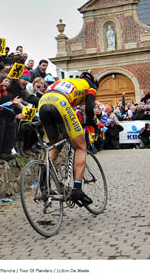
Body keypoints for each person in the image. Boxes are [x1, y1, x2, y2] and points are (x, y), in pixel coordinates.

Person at [37, 70, 99, 206]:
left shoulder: (65, 82)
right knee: (80, 147)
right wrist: (91, 122)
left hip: (43, 102)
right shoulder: (89, 86)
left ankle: (43, 184)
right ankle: (77, 189)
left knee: (56, 143)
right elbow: (89, 106)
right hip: (61, 103)